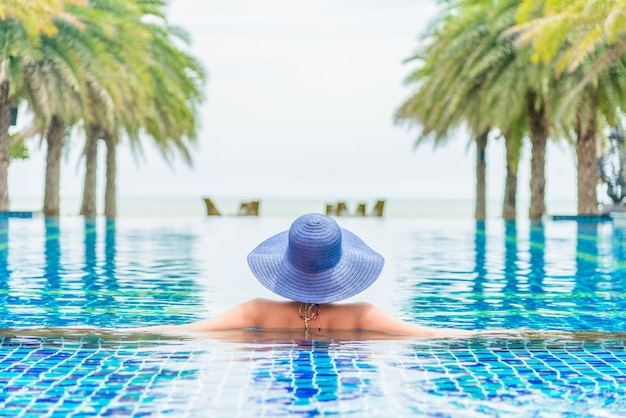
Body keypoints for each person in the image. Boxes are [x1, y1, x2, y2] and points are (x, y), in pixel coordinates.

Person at [130, 213, 477, 338]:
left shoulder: (256, 312)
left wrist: (123, 334)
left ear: (286, 262)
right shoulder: (361, 316)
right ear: (342, 266)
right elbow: (430, 335)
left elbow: (187, 332)